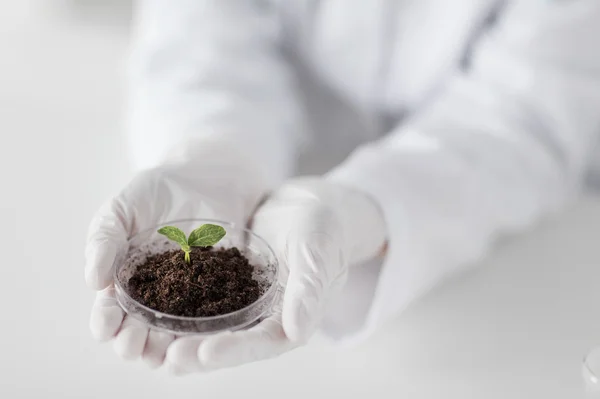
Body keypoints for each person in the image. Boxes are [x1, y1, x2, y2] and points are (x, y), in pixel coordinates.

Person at [85, 0, 600, 374]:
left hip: (508, 241)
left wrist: (367, 206)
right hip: (300, 132)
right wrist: (213, 151)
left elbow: (525, 115)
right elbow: (202, 39)